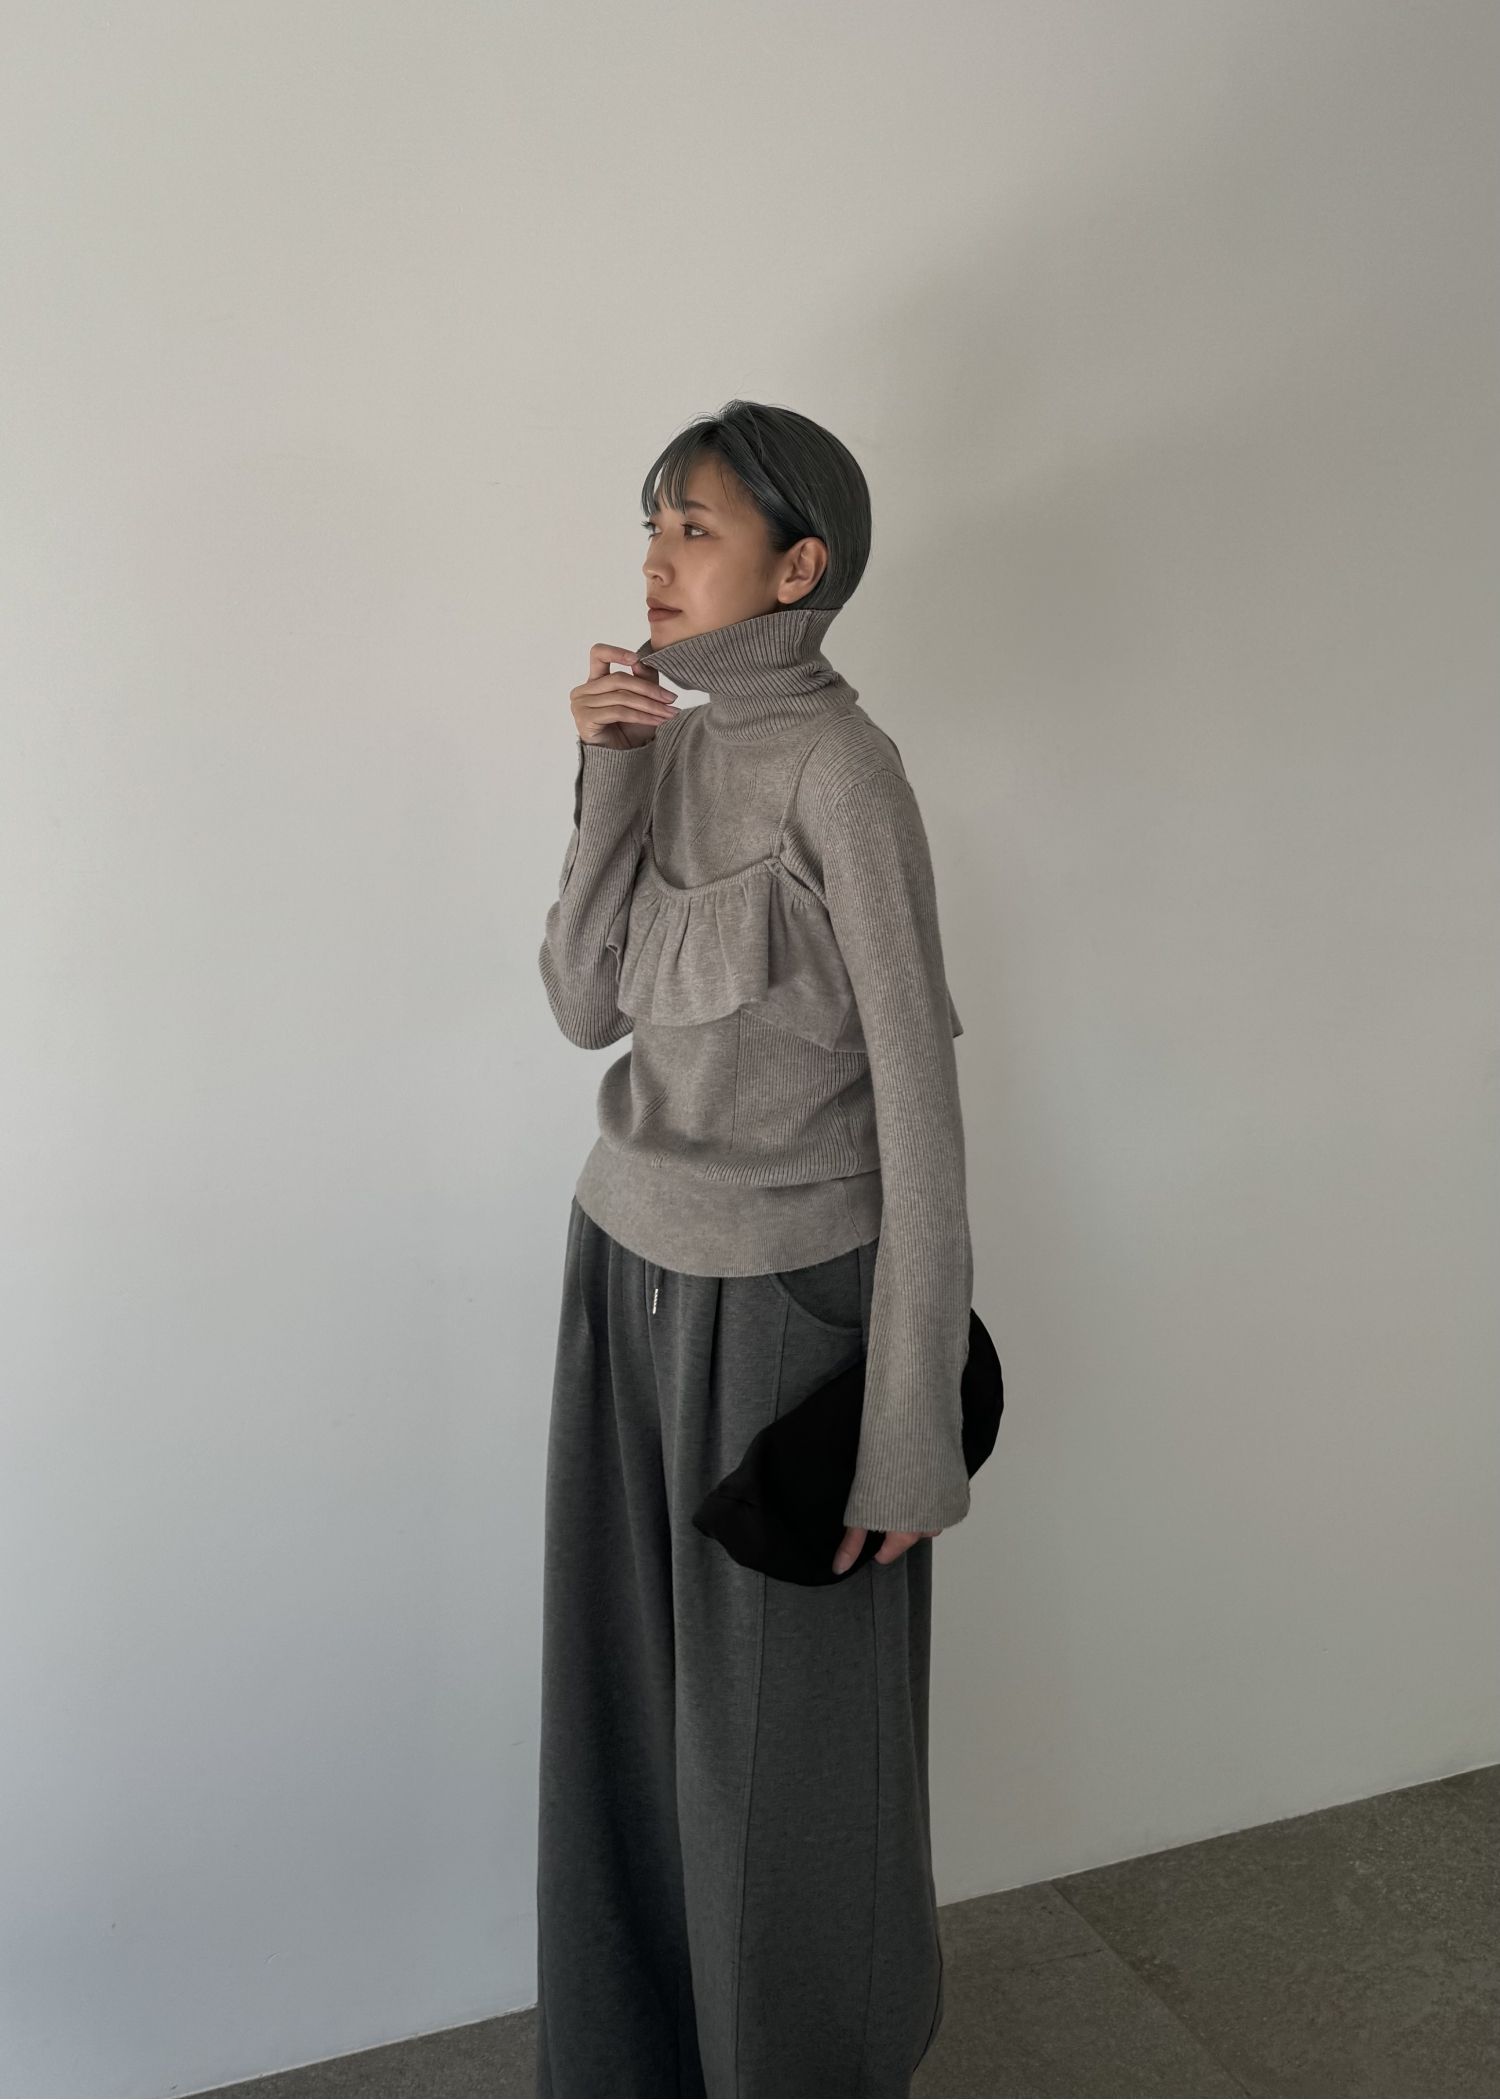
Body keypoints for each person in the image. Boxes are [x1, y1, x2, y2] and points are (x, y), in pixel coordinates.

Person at [534, 399, 972, 2097]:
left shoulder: (845, 772)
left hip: (791, 1309)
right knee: (627, 1717)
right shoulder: (670, 744)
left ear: (799, 568)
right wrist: (608, 772)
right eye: (652, 525)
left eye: (695, 528)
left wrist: (911, 1425)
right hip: (620, 1277)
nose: (656, 558)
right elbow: (583, 1005)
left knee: (791, 1766)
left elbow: (919, 1101)